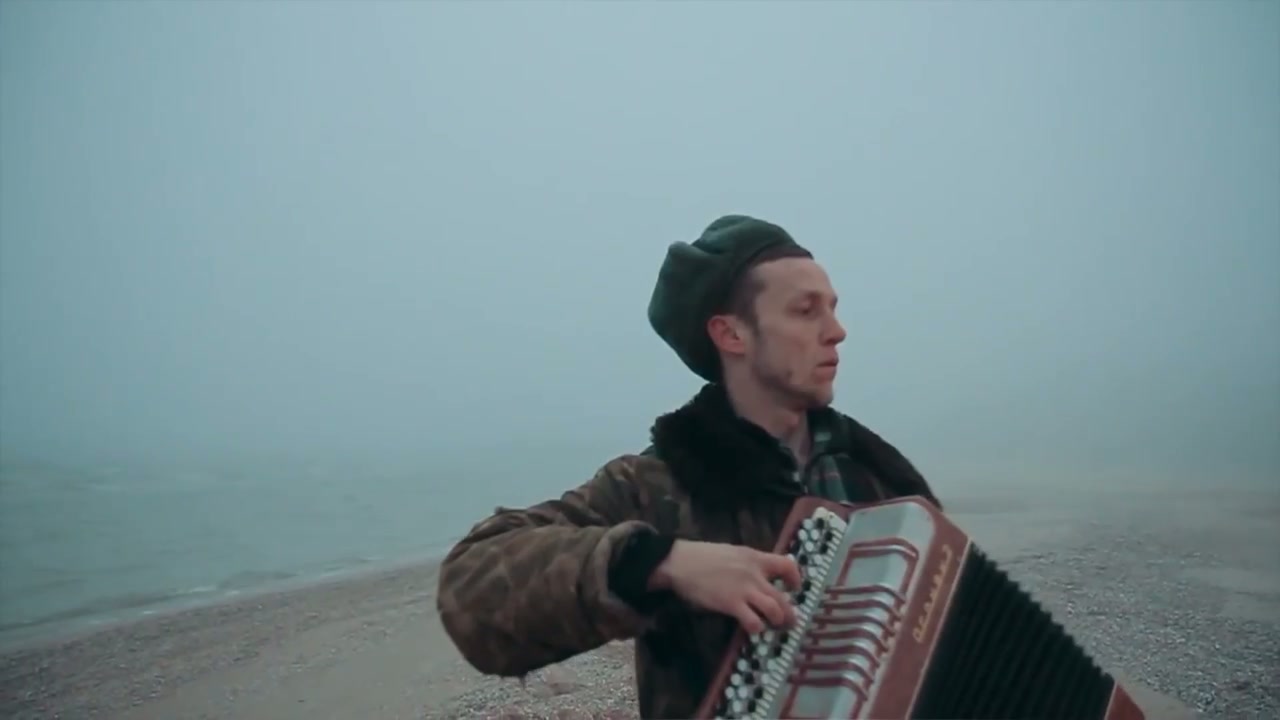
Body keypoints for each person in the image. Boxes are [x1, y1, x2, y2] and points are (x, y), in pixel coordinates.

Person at [434, 214, 943, 718]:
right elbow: (470, 590)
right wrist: (661, 563)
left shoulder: (881, 479)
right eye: (805, 311)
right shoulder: (656, 486)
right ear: (731, 334)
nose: (837, 332)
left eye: (832, 309)